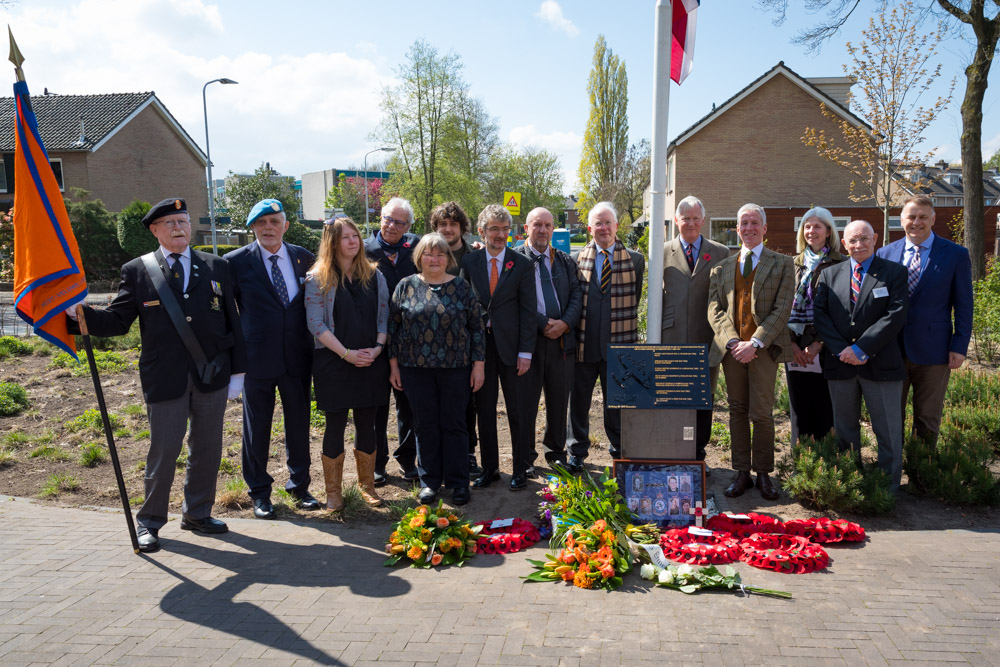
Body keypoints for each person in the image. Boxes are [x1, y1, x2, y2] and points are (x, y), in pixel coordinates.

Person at [66, 198, 247, 552]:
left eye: (183, 220)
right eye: (170, 223)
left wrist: (238, 371)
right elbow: (118, 321)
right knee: (164, 450)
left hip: (212, 373)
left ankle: (197, 513)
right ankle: (149, 521)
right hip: (165, 376)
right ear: (154, 230)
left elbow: (233, 322)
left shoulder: (217, 266)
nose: (179, 227)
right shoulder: (138, 270)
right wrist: (81, 315)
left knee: (208, 448)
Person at [224, 199, 320, 520]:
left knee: (298, 424)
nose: (269, 229)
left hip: (297, 358)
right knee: (257, 428)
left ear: (285, 226)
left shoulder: (304, 258)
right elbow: (227, 315)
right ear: (253, 227)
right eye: (262, 223)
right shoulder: (234, 262)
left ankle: (300, 486)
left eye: (274, 222)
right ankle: (260, 493)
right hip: (256, 361)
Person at [389, 233, 486, 506]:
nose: (435, 259)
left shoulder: (461, 288)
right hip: (414, 369)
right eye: (429, 254)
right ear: (420, 257)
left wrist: (478, 366)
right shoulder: (405, 286)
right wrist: (394, 365)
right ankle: (430, 482)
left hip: (456, 369)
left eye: (441, 254)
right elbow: (393, 329)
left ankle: (458, 483)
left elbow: (477, 329)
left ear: (448, 259)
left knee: (455, 424)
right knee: (425, 425)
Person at [814, 220, 908, 492]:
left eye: (864, 238)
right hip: (840, 364)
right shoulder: (829, 274)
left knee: (888, 431)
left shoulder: (894, 273)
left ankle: (886, 490)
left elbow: (896, 315)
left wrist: (862, 348)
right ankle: (850, 486)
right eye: (852, 240)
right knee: (845, 431)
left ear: (875, 238)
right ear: (844, 244)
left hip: (881, 365)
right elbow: (820, 315)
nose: (859, 245)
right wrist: (843, 350)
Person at [708, 203, 794, 501]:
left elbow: (782, 309)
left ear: (765, 228)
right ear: (737, 228)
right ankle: (741, 471)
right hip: (733, 352)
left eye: (754, 223)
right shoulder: (722, 267)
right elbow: (715, 309)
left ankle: (764, 473)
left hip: (763, 351)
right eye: (743, 223)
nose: (748, 228)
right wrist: (732, 342)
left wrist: (754, 343)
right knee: (736, 411)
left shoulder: (783, 264)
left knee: (762, 414)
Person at [306, 216, 389, 510]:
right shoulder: (318, 278)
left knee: (368, 424)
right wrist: (346, 354)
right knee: (335, 425)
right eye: (346, 237)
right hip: (334, 363)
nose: (353, 241)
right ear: (333, 242)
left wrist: (378, 349)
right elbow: (316, 324)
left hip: (370, 361)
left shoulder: (375, 276)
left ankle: (368, 487)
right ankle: (333, 492)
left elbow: (383, 317)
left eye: (355, 236)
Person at [876, 195, 973, 443]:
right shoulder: (885, 253)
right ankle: (891, 476)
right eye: (911, 217)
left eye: (922, 217)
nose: (916, 222)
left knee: (928, 419)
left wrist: (959, 347)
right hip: (892, 351)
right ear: (902, 220)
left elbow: (964, 305)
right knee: (890, 418)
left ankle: (921, 477)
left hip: (935, 352)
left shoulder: (955, 254)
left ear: (933, 219)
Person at [460, 204, 537, 491]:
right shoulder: (470, 262)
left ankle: (519, 469)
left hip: (514, 349)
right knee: (484, 409)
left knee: (518, 411)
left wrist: (526, 352)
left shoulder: (521, 264)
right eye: (494, 229)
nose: (500, 235)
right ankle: (490, 469)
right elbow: (465, 306)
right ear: (482, 231)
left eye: (505, 230)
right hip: (480, 348)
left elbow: (529, 311)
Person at [567, 202, 646, 469]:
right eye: (598, 223)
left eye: (608, 222)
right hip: (584, 345)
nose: (603, 228)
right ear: (590, 228)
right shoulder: (576, 258)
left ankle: (619, 450)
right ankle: (576, 452)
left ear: (616, 226)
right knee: (578, 401)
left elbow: (633, 297)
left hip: (620, 345)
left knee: (619, 403)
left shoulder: (634, 259)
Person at [661, 196, 730, 467]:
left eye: (695, 218)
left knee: (703, 398)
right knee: (673, 397)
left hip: (706, 337)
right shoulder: (663, 250)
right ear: (676, 221)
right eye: (685, 218)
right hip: (672, 336)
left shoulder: (721, 252)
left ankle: (698, 456)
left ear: (703, 220)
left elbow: (726, 297)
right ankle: (673, 453)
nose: (690, 223)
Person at [514, 207, 583, 471]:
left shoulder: (564, 260)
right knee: (526, 403)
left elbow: (577, 294)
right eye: (537, 225)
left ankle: (555, 453)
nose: (543, 230)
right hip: (528, 344)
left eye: (548, 226)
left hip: (562, 343)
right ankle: (525, 457)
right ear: (526, 229)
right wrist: (544, 324)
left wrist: (565, 323)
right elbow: (516, 301)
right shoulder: (516, 259)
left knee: (558, 401)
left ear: (553, 229)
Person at [365, 197, 419, 485]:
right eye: (388, 219)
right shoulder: (363, 250)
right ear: (380, 218)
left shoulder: (416, 248)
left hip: (409, 343)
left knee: (407, 403)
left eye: (399, 222)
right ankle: (377, 463)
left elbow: (445, 252)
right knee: (376, 404)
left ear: (408, 226)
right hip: (374, 341)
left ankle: (407, 460)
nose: (392, 226)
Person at [785, 207, 845, 445]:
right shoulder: (792, 264)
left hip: (828, 348)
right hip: (795, 348)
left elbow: (843, 310)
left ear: (829, 231)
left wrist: (818, 343)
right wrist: (791, 344)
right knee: (799, 409)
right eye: (807, 227)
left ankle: (827, 467)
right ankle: (800, 467)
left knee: (825, 408)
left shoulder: (841, 264)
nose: (811, 231)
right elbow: (782, 306)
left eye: (817, 226)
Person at [430, 201, 481, 477]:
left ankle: (468, 452)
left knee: (467, 402)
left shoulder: (473, 257)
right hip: (431, 344)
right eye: (443, 224)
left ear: (462, 228)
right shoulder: (428, 254)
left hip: (464, 342)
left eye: (453, 224)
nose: (448, 229)